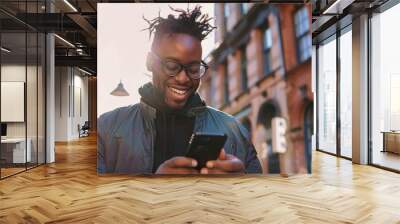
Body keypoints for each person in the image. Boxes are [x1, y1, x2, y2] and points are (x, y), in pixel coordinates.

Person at [97, 6, 262, 174]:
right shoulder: (106, 128)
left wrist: (240, 187)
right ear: (150, 62)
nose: (183, 78)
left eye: (193, 68)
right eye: (171, 66)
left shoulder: (235, 131)